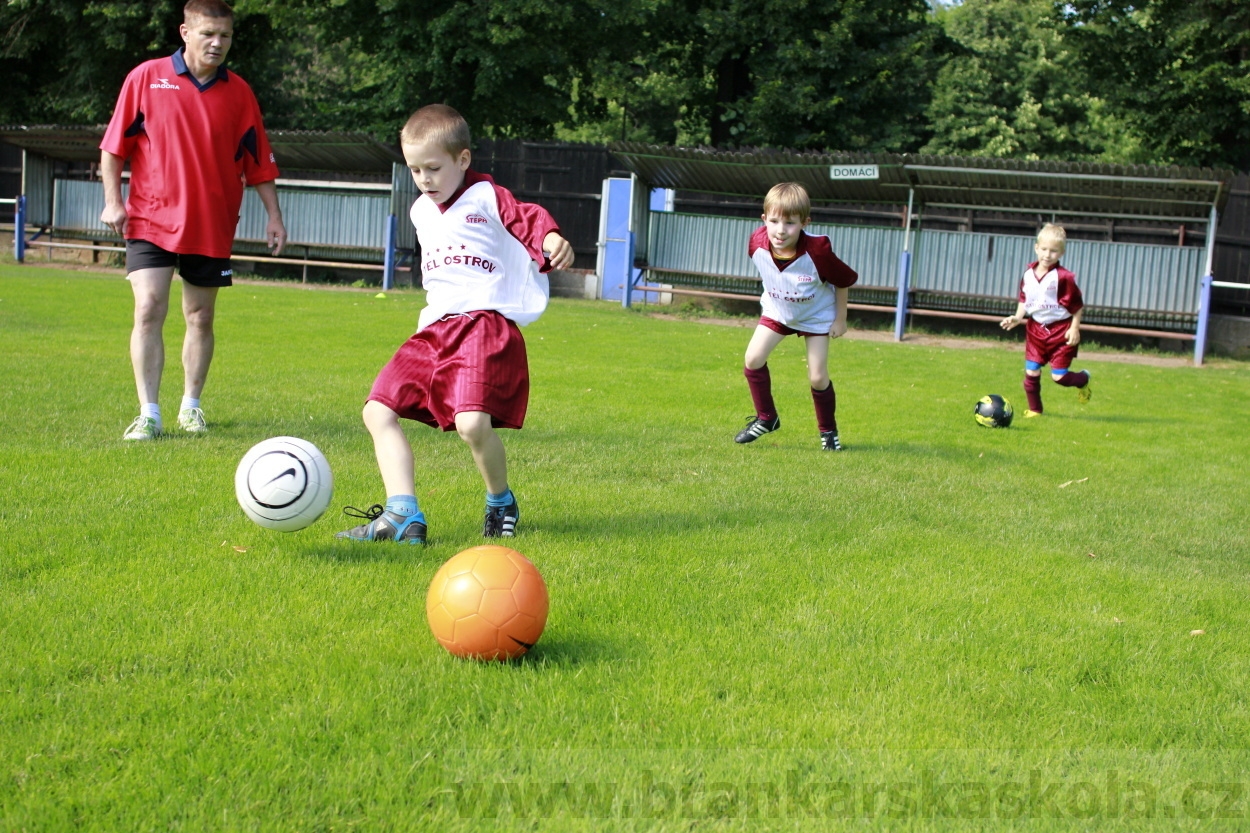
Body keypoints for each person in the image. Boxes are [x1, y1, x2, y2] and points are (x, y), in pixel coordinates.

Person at [337, 104, 573, 545]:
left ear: (463, 159)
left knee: (471, 425)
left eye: (433, 168)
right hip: (434, 329)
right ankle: (402, 514)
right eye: (415, 170)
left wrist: (550, 238)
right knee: (377, 410)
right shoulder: (420, 211)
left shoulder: (486, 196)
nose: (424, 179)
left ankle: (501, 500)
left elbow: (526, 217)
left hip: (482, 325)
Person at [99, 0, 286, 441]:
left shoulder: (240, 93)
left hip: (211, 223)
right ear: (185, 32)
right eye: (208, 34)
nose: (217, 43)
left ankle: (191, 407)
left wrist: (274, 217)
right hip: (150, 218)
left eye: (225, 35)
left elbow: (258, 162)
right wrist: (112, 202)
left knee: (200, 316)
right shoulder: (146, 77)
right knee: (149, 307)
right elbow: (113, 148)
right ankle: (149, 413)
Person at [733, 182, 858, 451]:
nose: (780, 230)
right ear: (764, 219)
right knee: (753, 359)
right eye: (774, 221)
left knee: (818, 377)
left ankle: (829, 434)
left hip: (815, 316)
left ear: (804, 223)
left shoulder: (818, 251)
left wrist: (840, 319)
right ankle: (767, 418)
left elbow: (844, 280)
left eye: (789, 223)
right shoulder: (756, 243)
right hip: (778, 312)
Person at [999, 223, 1092, 417]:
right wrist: (1017, 317)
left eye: (1053, 251)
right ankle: (1035, 410)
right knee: (1031, 372)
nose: (1047, 255)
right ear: (1036, 248)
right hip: (1036, 330)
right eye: (1044, 249)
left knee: (1059, 377)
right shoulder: (1028, 275)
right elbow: (1025, 299)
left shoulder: (1063, 277)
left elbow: (1077, 305)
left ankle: (1083, 379)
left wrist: (1074, 328)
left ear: (1061, 253)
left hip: (1061, 331)